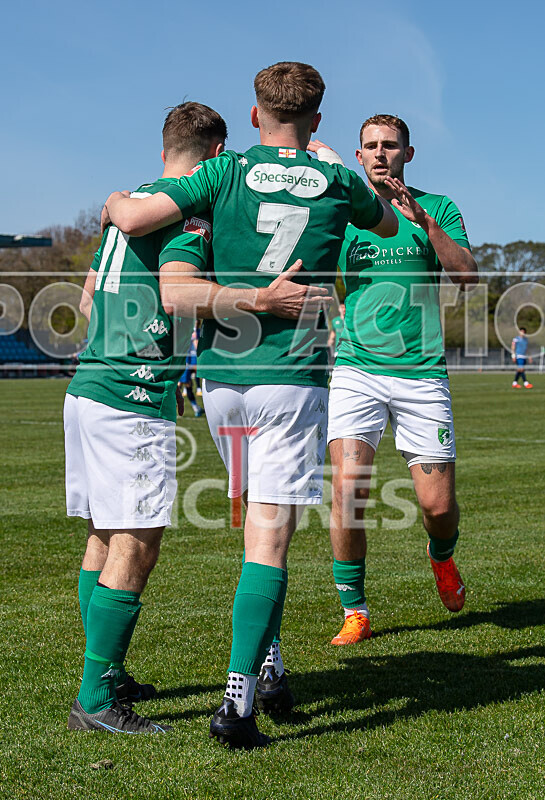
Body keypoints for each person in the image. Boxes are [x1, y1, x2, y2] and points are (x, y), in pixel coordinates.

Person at [103, 62, 401, 748]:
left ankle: (268, 660)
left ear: (253, 113)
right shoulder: (336, 179)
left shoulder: (224, 172)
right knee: (269, 538)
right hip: (290, 377)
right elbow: (384, 224)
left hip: (220, 381)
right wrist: (330, 164)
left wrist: (118, 200)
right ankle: (237, 704)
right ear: (319, 120)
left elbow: (139, 215)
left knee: (247, 515)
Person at [65, 101, 316, 735]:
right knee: (137, 543)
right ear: (211, 159)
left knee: (102, 535)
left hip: (89, 385)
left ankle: (107, 675)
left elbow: (92, 293)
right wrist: (256, 298)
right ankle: (96, 699)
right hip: (133, 395)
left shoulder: (127, 210)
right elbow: (180, 294)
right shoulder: (187, 216)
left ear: (164, 152)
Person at [312, 115, 478, 646]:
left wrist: (426, 224)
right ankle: (355, 608)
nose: (380, 154)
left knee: (436, 506)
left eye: (390, 146)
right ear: (358, 157)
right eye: (370, 147)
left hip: (422, 374)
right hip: (357, 370)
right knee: (347, 490)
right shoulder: (343, 218)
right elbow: (310, 275)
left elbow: (467, 276)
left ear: (409, 153)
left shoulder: (440, 207)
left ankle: (443, 557)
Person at [179, 323, 204, 415]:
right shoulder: (188, 330)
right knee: (181, 384)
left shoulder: (194, 330)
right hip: (185, 360)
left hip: (188, 360)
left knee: (187, 384)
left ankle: (196, 409)